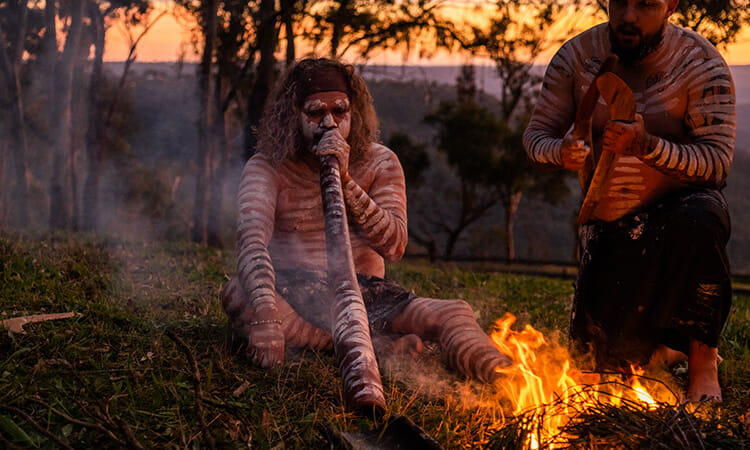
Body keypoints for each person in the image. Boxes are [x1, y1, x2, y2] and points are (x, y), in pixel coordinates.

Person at [221, 57, 511, 383]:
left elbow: (395, 245)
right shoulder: (268, 166)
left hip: (369, 295)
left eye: (339, 111)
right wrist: (266, 317)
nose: (329, 123)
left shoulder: (380, 162)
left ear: (354, 113)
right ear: (293, 116)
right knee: (239, 294)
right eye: (316, 113)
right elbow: (251, 242)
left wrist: (346, 182)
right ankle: (368, 346)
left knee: (453, 313)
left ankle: (503, 376)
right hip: (293, 290)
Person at [523, 0, 735, 402]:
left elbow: (716, 164)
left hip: (681, 209)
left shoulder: (701, 63)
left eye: (646, 5)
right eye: (619, 2)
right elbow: (536, 138)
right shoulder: (576, 58)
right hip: (609, 222)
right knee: (607, 368)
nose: (629, 16)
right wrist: (561, 151)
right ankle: (665, 347)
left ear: (671, 5)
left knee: (702, 217)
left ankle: (703, 357)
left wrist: (647, 146)